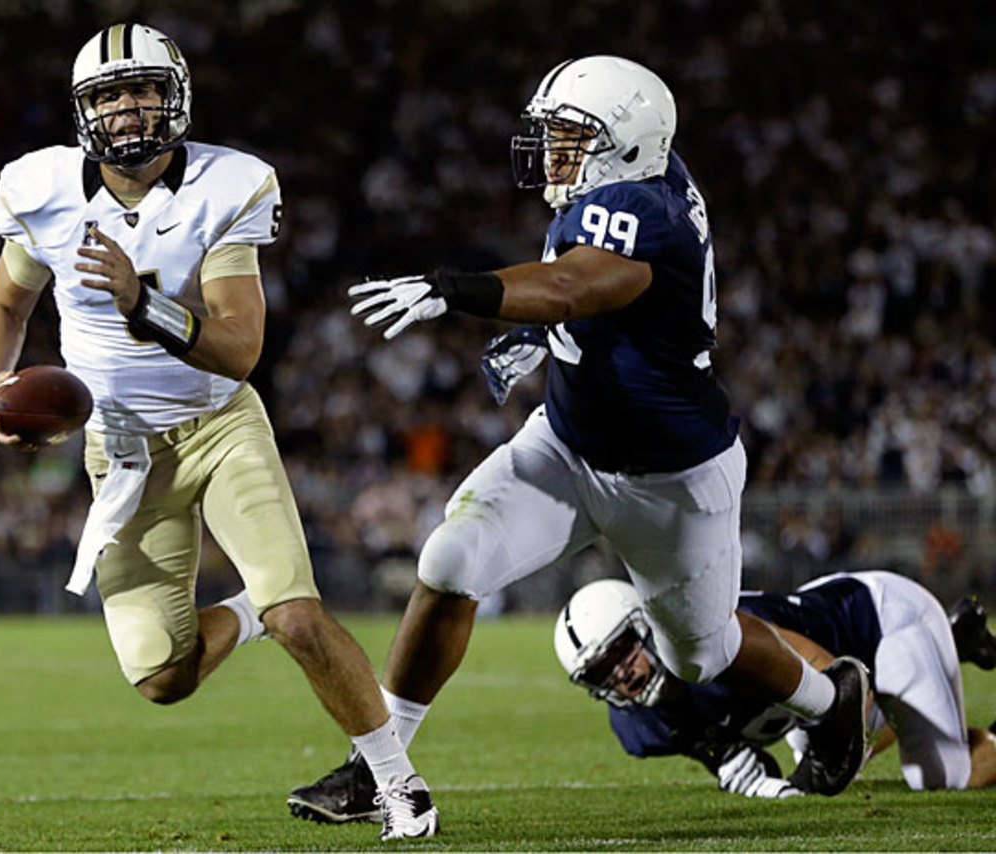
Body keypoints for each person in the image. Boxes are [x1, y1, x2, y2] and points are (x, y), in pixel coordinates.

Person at [287, 55, 866, 824]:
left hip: (671, 478)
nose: (554, 151)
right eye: (556, 133)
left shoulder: (640, 207)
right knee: (449, 561)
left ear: (627, 145)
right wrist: (553, 336)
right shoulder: (630, 176)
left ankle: (831, 701)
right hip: (565, 445)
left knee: (703, 654)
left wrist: (457, 290)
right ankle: (376, 769)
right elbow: (589, 294)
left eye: (572, 136)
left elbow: (572, 284)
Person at [0, 23, 437, 841]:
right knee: (161, 678)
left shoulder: (231, 183)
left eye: (141, 88)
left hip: (218, 426)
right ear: (84, 111)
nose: (126, 108)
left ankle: (398, 784)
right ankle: (247, 614)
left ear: (175, 94)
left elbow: (240, 347)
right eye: (108, 95)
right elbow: (8, 303)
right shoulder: (39, 186)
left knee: (299, 612)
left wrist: (140, 304)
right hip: (117, 449)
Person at [552, 573, 996, 795]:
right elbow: (714, 742)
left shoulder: (720, 643)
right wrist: (731, 764)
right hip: (829, 650)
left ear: (647, 624)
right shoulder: (638, 726)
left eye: (621, 650)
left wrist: (813, 777)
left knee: (940, 776)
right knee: (819, 751)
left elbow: (835, 682)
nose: (620, 673)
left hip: (882, 619)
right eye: (599, 672)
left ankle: (940, 647)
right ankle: (946, 651)